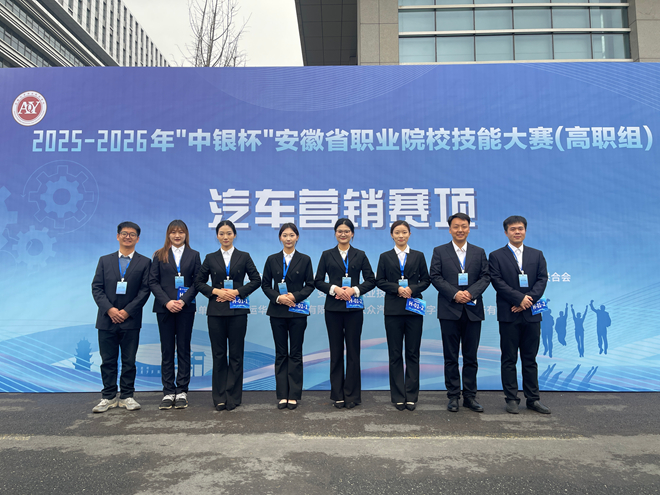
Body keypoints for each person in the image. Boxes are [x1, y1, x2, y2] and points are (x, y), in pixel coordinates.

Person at [194, 220, 261, 411]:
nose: (225, 237)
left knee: (236, 355)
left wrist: (237, 292)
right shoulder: (210, 258)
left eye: (229, 233)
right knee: (218, 354)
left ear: (234, 235)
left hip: (238, 310)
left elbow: (256, 280)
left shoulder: (244, 256)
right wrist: (216, 291)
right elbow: (198, 282)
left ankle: (233, 396)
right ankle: (219, 397)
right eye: (222, 233)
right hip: (216, 311)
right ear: (217, 236)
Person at [489, 216, 550, 415]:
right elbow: (497, 281)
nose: (517, 232)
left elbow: (542, 279)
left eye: (520, 228)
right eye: (513, 229)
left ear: (525, 230)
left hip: (531, 314)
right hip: (509, 314)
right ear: (506, 232)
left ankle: (533, 399)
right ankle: (511, 399)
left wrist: (527, 300)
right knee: (509, 359)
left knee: (530, 359)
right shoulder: (496, 256)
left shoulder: (537, 254)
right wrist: (518, 299)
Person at [429, 213, 490, 413]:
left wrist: (470, 293)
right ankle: (453, 396)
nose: (460, 230)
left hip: (473, 310)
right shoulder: (440, 251)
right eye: (456, 226)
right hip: (449, 310)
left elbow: (485, 277)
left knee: (471, 357)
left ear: (469, 228)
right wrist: (455, 294)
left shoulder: (479, 252)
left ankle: (470, 397)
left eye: (464, 226)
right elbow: (435, 276)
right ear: (450, 229)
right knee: (451, 356)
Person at [314, 218, 376, 409]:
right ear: (335, 233)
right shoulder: (327, 255)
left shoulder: (360, 255)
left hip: (354, 308)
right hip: (333, 309)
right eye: (340, 231)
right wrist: (334, 289)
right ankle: (338, 395)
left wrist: (354, 290)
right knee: (336, 352)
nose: (343, 234)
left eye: (346, 231)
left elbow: (371, 280)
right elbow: (318, 281)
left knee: (353, 352)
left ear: (352, 234)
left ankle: (352, 395)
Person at [91, 222, 151, 413]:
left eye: (132, 234)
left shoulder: (145, 262)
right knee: (108, 361)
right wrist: (110, 310)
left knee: (129, 361)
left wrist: (127, 311)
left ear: (137, 239)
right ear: (118, 236)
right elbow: (97, 288)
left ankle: (127, 396)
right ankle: (108, 397)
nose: (128, 237)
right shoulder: (104, 260)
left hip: (130, 320)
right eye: (124, 233)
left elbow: (145, 291)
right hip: (106, 319)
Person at [376, 220, 431, 411]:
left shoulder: (418, 256)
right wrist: (397, 288)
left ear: (409, 234)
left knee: (413, 353)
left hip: (414, 309)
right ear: (392, 235)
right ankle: (398, 396)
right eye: (397, 232)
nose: (401, 236)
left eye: (404, 232)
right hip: (393, 310)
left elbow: (426, 280)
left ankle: (411, 396)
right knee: (395, 353)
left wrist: (412, 289)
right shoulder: (385, 257)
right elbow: (379, 281)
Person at [149, 220, 201, 410]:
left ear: (186, 234)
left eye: (181, 232)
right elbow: (153, 282)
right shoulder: (159, 254)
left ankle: (182, 391)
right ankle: (168, 391)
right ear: (168, 234)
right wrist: (167, 302)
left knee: (184, 349)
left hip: (185, 308)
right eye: (173, 232)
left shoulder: (194, 255)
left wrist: (184, 300)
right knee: (167, 350)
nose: (177, 235)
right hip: (165, 309)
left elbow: (198, 282)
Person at [261, 223, 314, 410]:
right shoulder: (272, 259)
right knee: (281, 353)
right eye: (285, 235)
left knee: (296, 353)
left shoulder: (305, 259)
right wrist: (278, 297)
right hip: (277, 312)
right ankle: (282, 394)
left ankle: (294, 395)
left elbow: (310, 284)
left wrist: (295, 296)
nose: (288, 238)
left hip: (297, 311)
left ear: (297, 237)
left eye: (292, 235)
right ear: (280, 238)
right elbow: (265, 284)